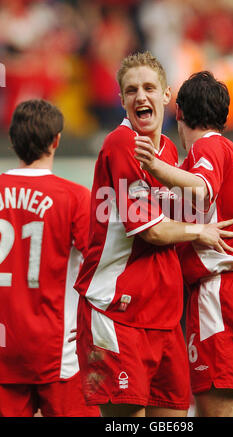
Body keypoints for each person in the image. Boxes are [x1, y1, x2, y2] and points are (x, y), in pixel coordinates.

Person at [73, 52, 233, 417]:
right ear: (121, 100)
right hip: (117, 313)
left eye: (149, 88)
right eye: (131, 90)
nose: (140, 97)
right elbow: (155, 232)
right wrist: (202, 231)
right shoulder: (122, 143)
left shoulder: (167, 151)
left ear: (167, 96)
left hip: (163, 319)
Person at [134, 71, 233, 417]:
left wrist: (152, 165)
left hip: (223, 293)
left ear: (178, 113)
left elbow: (199, 187)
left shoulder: (208, 146)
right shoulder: (225, 150)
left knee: (218, 412)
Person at [0, 99, 99, 417]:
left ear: (13, 140)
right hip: (57, 352)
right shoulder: (74, 197)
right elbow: (99, 266)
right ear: (56, 140)